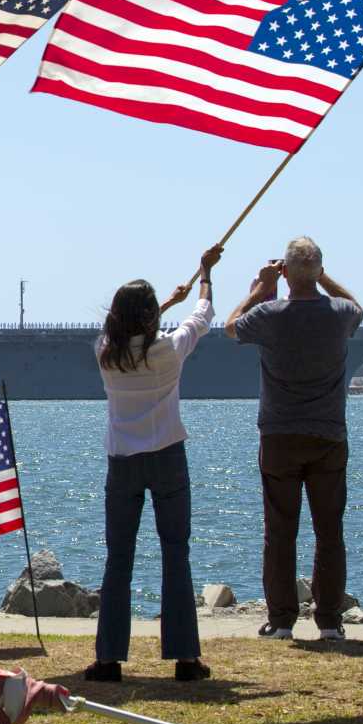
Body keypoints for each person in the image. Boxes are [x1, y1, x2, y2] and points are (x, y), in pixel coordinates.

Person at [85, 245, 222, 683]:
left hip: (122, 463)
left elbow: (122, 331)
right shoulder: (169, 349)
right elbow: (204, 314)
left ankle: (108, 660)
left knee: (118, 560)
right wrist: (205, 274)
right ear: (150, 317)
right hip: (167, 458)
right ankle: (185, 659)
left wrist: (164, 304)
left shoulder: (106, 352)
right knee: (175, 555)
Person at [225, 236, 363, 640]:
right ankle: (331, 622)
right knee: (329, 531)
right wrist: (321, 276)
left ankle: (282, 621)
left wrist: (259, 289)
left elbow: (231, 327)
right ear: (318, 271)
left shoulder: (269, 314)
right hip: (328, 436)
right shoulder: (338, 314)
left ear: (285, 272)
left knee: (280, 531)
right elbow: (356, 305)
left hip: (280, 437)